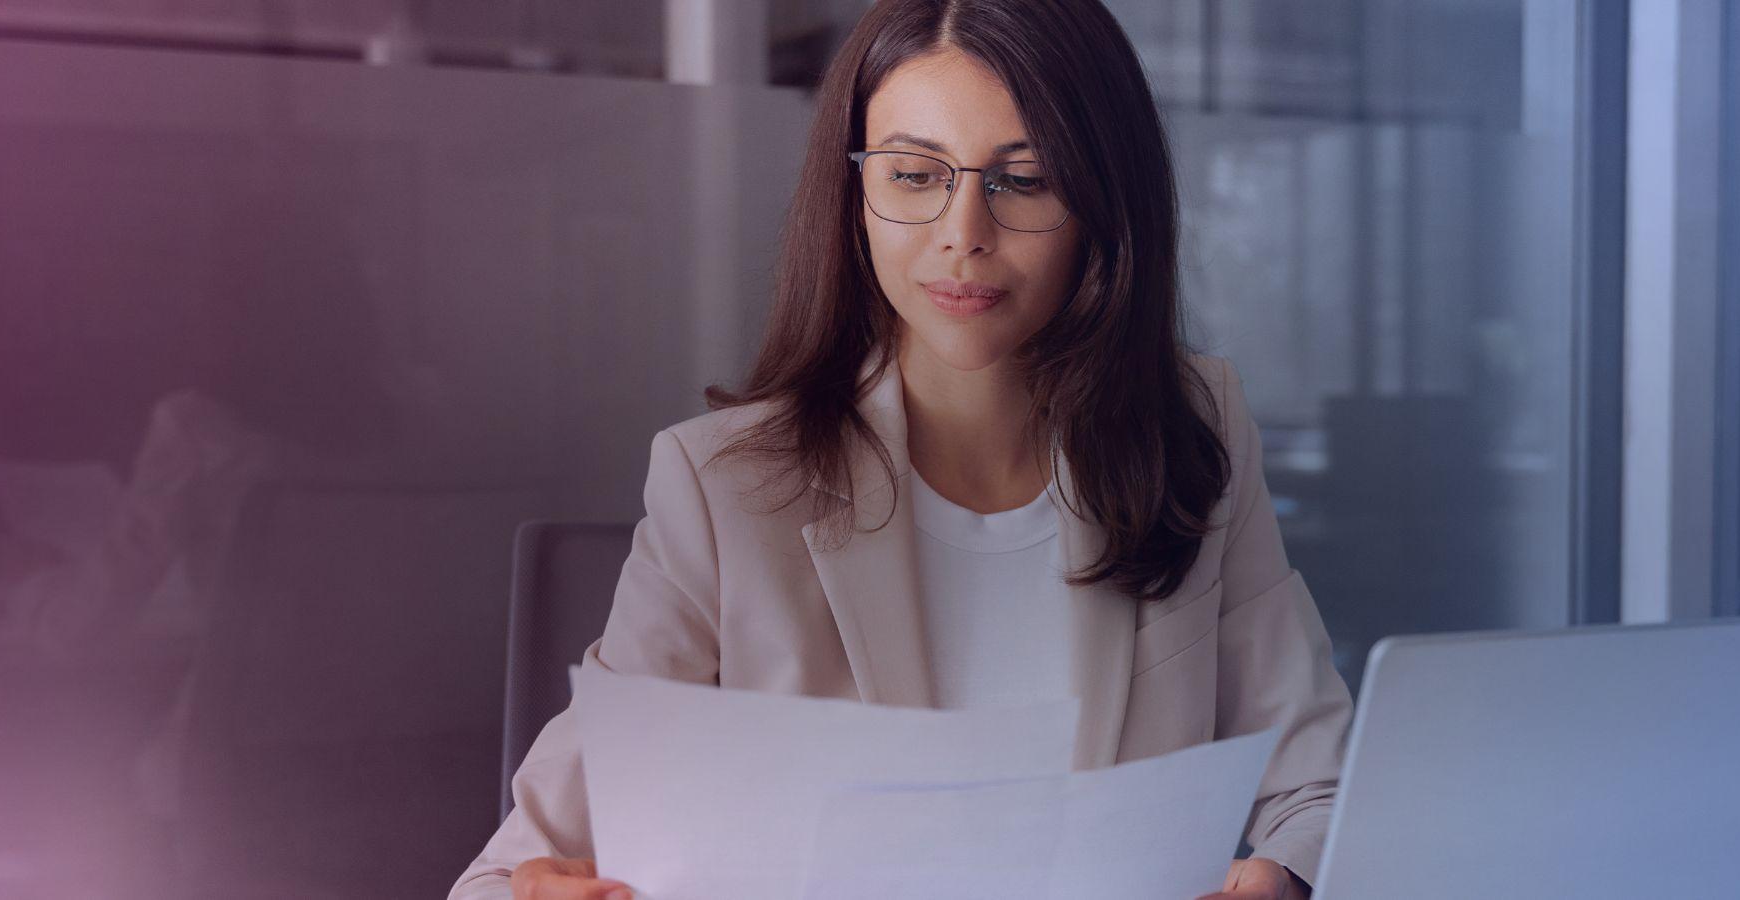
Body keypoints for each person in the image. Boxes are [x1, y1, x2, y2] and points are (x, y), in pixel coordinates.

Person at [451, 1, 1352, 898]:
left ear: (1104, 205)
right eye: (915, 176)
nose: (965, 233)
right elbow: (500, 877)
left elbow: (1322, 788)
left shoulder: (1195, 428)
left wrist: (1280, 880)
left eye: (1024, 179)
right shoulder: (722, 487)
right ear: (855, 200)